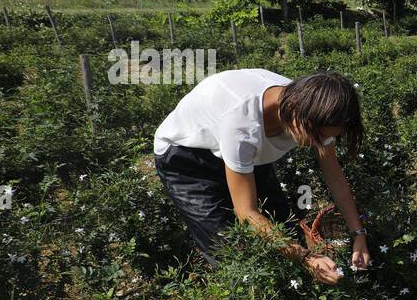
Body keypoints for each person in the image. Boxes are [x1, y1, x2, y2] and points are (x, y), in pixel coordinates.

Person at [153, 68, 369, 284]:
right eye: (317, 136)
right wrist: (305, 257)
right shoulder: (243, 125)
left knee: (282, 227)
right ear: (294, 111)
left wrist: (358, 233)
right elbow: (246, 212)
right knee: (231, 250)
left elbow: (334, 176)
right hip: (188, 158)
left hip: (242, 150)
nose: (320, 143)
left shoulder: (314, 107)